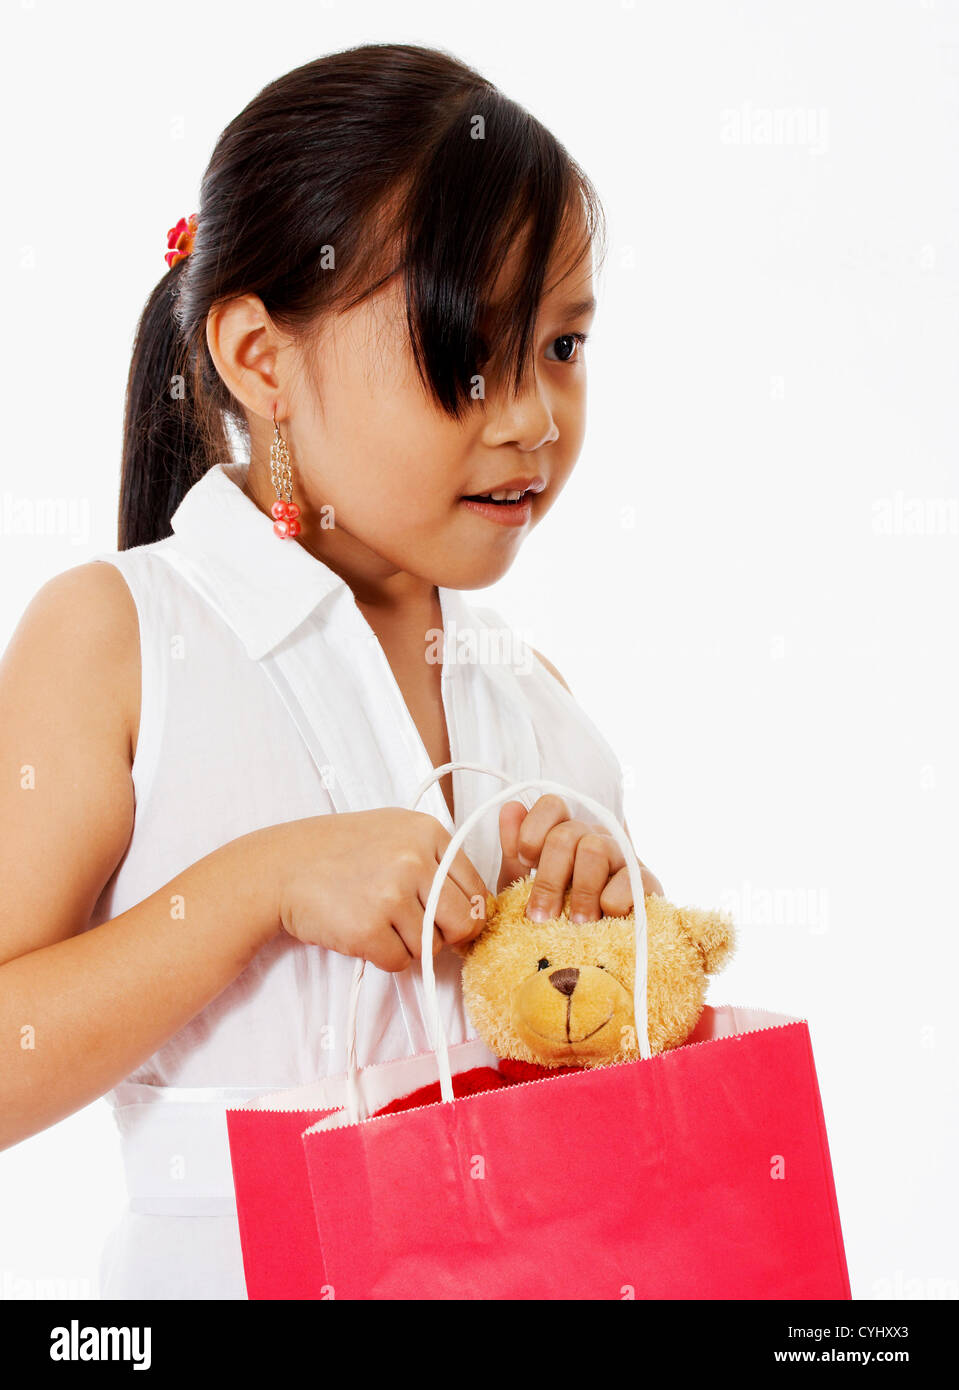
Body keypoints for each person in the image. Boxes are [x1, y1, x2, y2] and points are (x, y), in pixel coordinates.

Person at [0, 42, 662, 1298]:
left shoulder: (538, 700)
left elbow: (611, 1114)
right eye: (468, 351)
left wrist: (618, 942)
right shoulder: (115, 639)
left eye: (562, 347)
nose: (529, 417)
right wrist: (261, 885)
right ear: (260, 358)